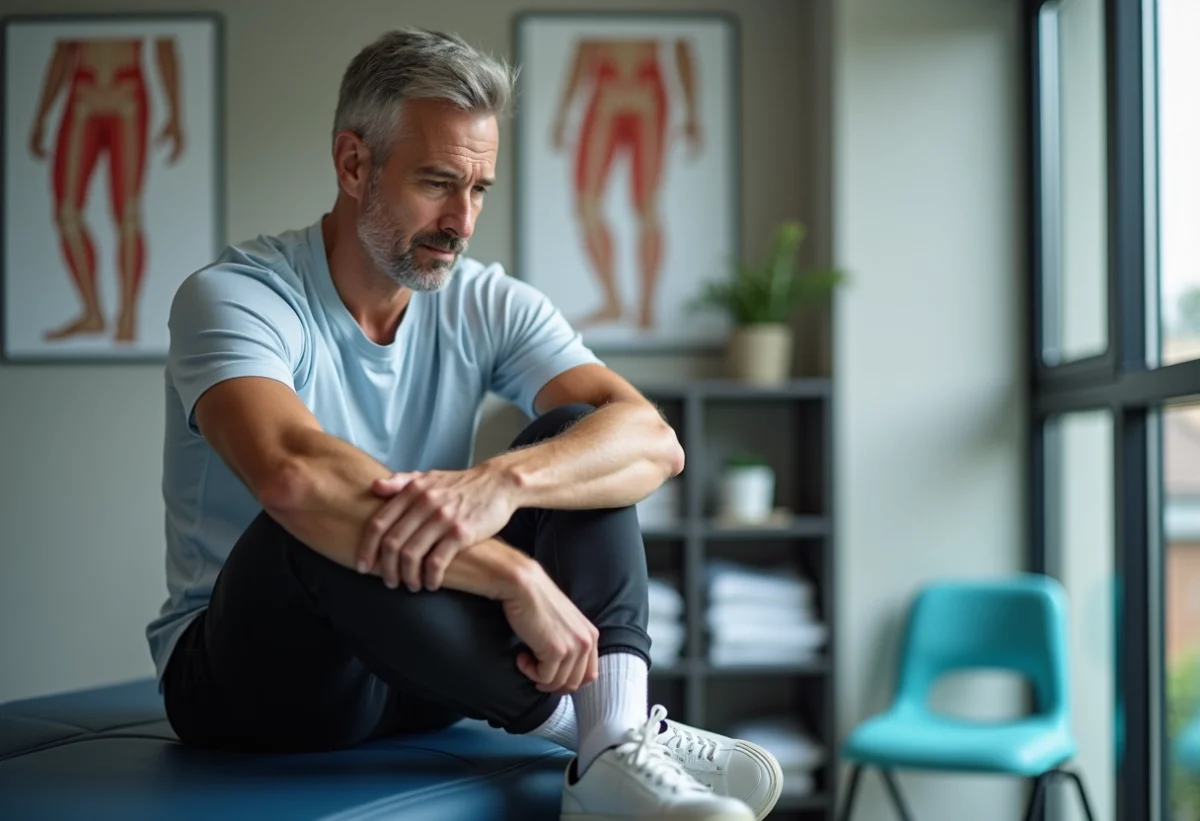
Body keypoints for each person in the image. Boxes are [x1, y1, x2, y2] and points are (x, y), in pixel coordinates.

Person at [146, 27, 781, 821]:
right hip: (261, 678)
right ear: (353, 164)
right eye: (438, 182)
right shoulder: (237, 296)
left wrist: (503, 482)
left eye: (479, 189)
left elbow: (652, 441)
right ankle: (595, 729)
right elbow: (292, 473)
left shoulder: (485, 300)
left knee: (578, 430)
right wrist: (515, 576)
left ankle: (613, 741)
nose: (462, 220)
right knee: (316, 518)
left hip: (424, 663)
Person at [29, 35, 184, 343]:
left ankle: (127, 319)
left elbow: (164, 44)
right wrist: (41, 116)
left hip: (126, 92)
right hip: (85, 92)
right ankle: (93, 313)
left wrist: (176, 116)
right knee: (67, 214)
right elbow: (62, 50)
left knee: (128, 216)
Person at [550, 37, 701, 333]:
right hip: (619, 89)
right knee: (591, 206)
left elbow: (681, 46)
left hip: (637, 88)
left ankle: (642, 307)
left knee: (644, 206)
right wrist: (562, 112)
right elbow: (583, 50)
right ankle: (618, 303)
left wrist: (693, 113)